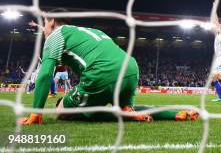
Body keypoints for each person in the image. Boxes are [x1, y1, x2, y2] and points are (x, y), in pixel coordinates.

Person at [19, 9, 198, 124]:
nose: (44, 29)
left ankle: (123, 114)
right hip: (130, 69)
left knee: (61, 112)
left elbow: (44, 75)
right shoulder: (91, 32)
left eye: (44, 24)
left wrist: (36, 113)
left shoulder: (55, 36)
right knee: (124, 108)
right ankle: (176, 114)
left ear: (50, 22)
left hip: (102, 73)